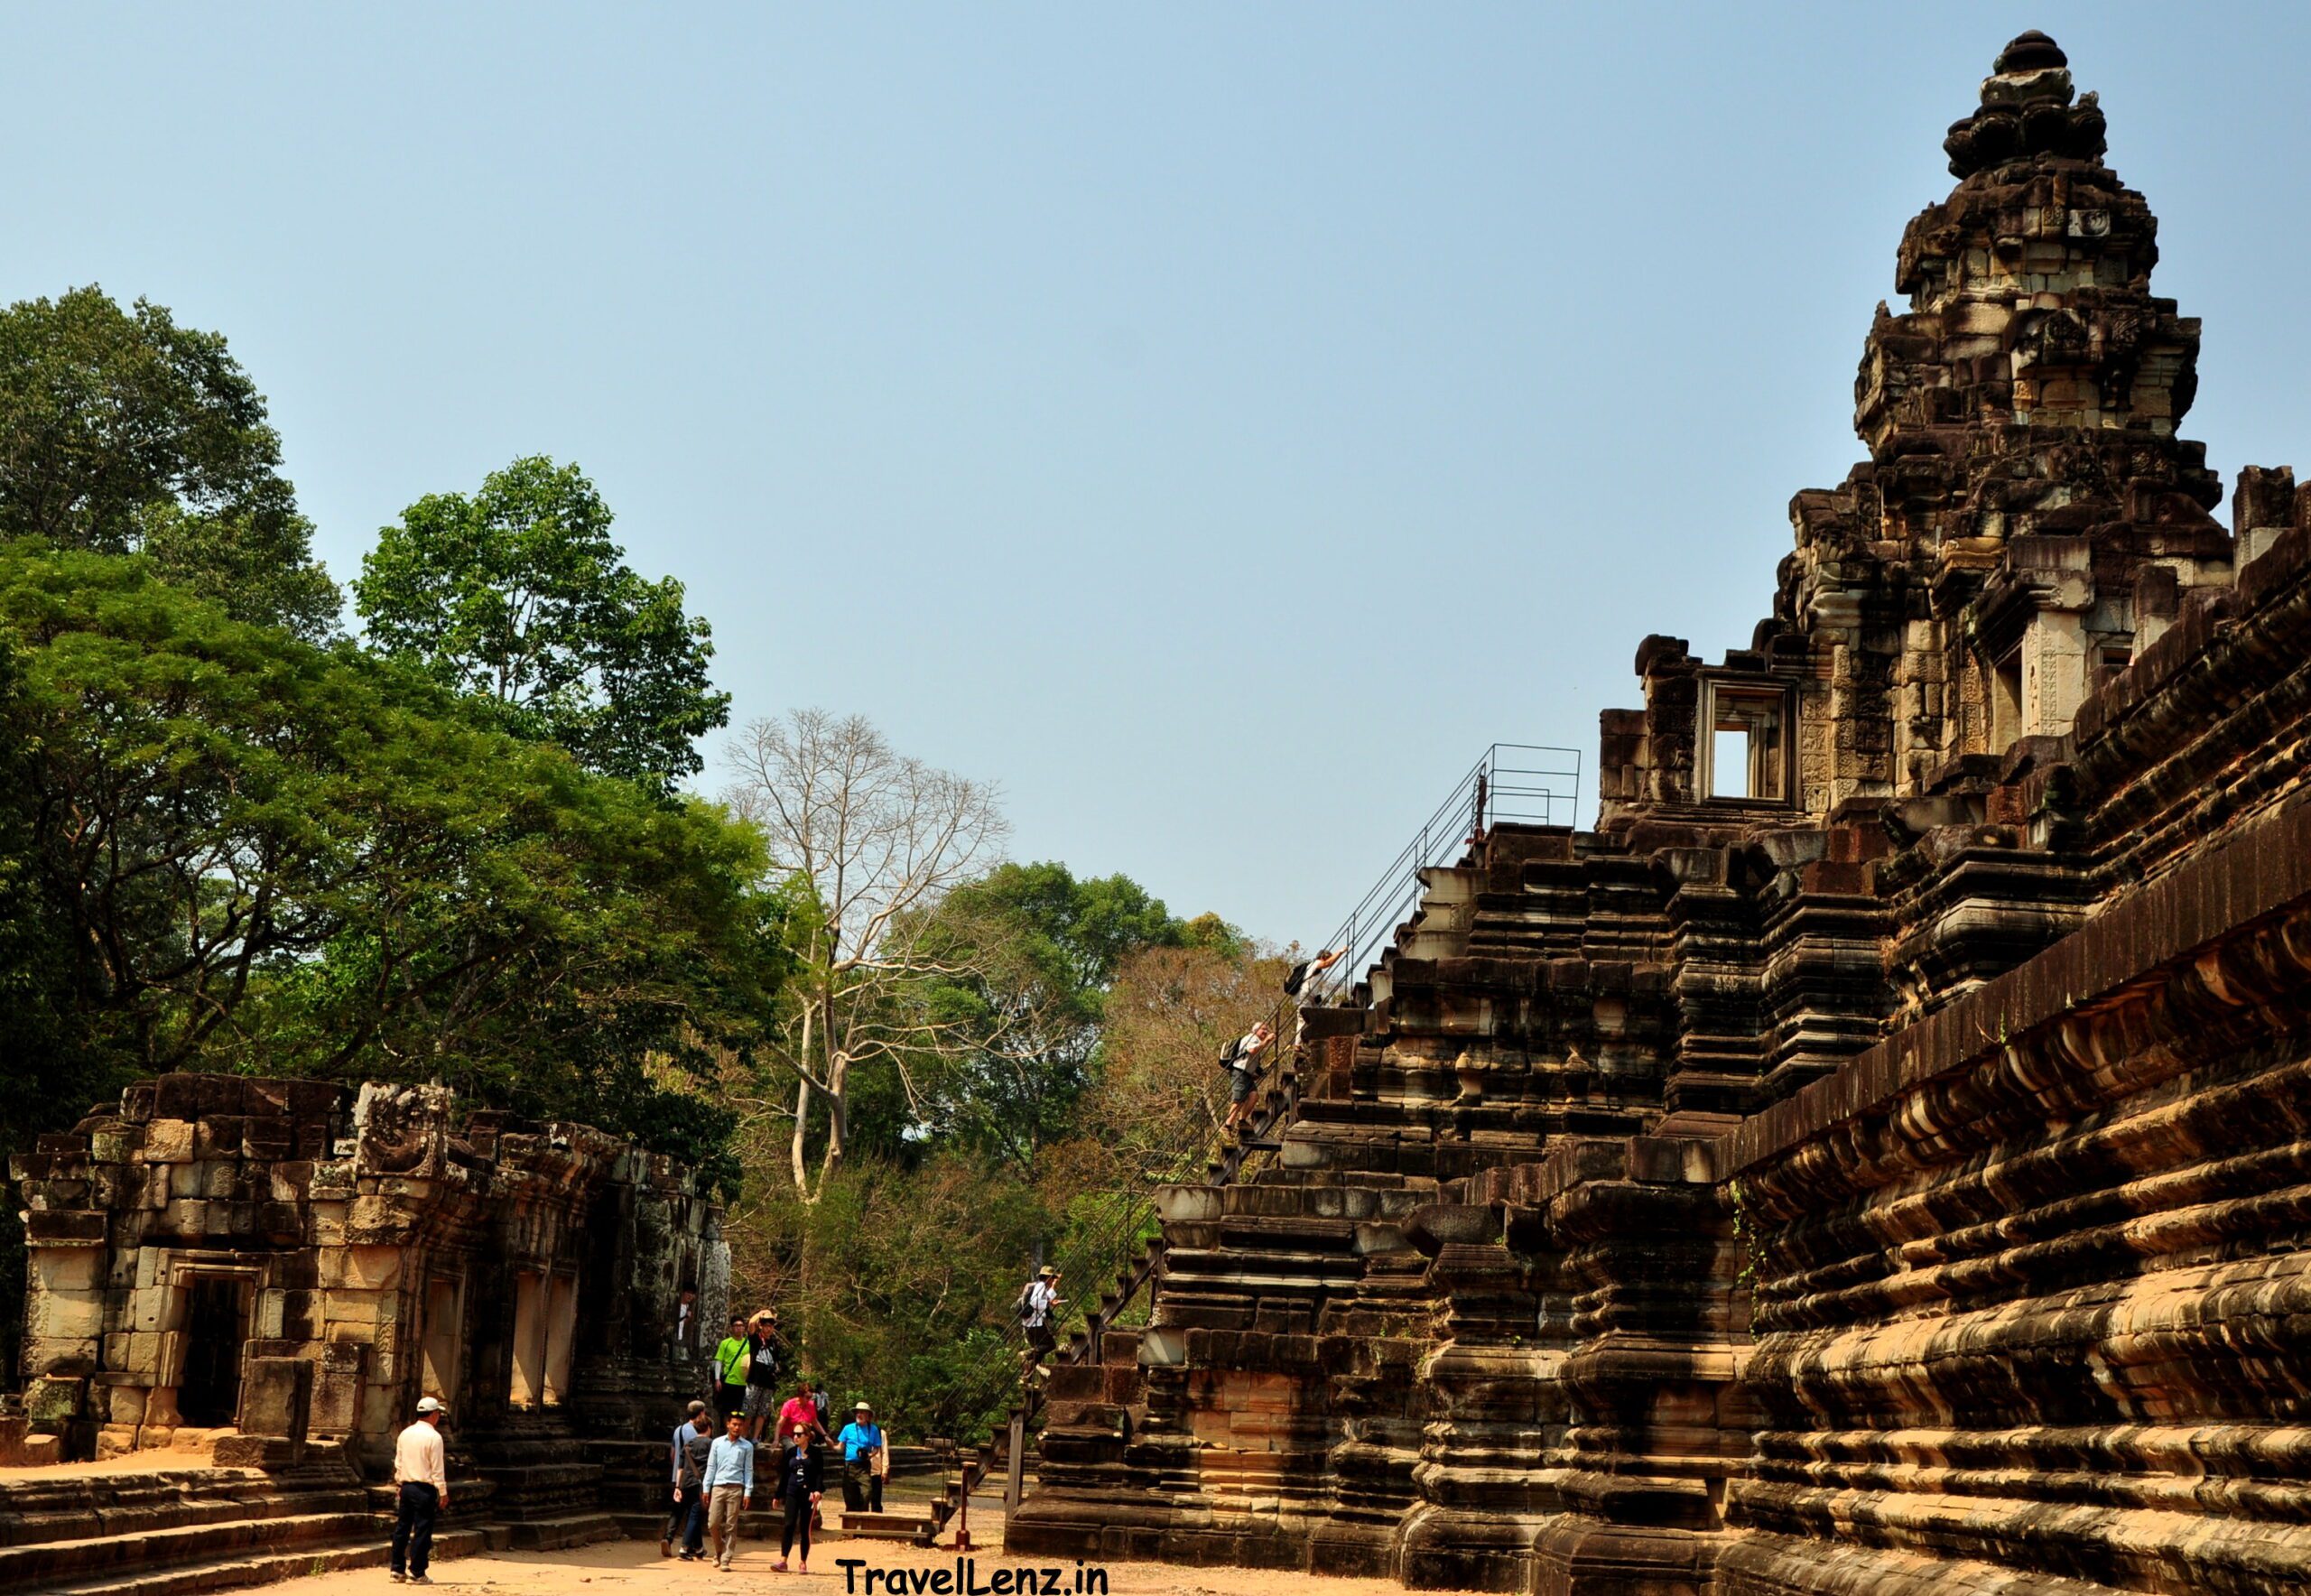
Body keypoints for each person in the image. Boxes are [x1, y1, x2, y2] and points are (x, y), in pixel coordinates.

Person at [390, 1396, 449, 1585]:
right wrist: (443, 1492)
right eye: (437, 1413)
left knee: (402, 1528)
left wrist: (399, 1484)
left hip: (406, 1486)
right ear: (433, 1414)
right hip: (424, 1489)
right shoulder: (434, 1437)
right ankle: (417, 1571)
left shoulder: (405, 1433)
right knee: (423, 1530)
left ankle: (397, 1569)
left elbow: (398, 1463)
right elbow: (437, 1468)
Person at [701, 1409, 756, 1570]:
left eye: (740, 1425)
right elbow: (711, 1467)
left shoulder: (747, 1446)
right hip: (718, 1486)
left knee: (731, 1525)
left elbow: (748, 1470)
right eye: (734, 1424)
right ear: (728, 1424)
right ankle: (719, 1549)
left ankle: (726, 1558)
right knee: (713, 1523)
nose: (737, 1428)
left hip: (736, 1488)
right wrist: (706, 1488)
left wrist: (747, 1492)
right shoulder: (717, 1443)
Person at [663, 1398, 713, 1560]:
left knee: (678, 1511)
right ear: (702, 1414)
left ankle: (670, 1539)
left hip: (679, 1477)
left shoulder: (678, 1430)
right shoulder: (699, 1433)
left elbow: (672, 1454)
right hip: (695, 1478)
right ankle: (688, 1546)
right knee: (694, 1512)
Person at [772, 1424, 826, 1573]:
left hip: (808, 1494)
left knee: (804, 1528)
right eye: (794, 1434)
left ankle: (803, 1561)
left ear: (807, 1436)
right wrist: (778, 1495)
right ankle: (783, 1560)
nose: (795, 1437)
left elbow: (819, 1474)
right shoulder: (790, 1452)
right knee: (789, 1525)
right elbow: (785, 1475)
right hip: (792, 1492)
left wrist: (817, 1490)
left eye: (799, 1434)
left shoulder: (815, 1453)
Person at [1220, 1021, 1276, 1127]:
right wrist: (1267, 1040)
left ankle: (1242, 1120)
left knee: (1254, 1096)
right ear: (1255, 1030)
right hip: (1239, 1073)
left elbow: (1252, 1059)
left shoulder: (1257, 1041)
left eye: (1266, 1029)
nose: (1265, 1031)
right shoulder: (1251, 1038)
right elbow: (1252, 1050)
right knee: (1239, 1099)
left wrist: (1258, 1072)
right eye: (1263, 1029)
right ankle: (1227, 1125)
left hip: (1247, 1075)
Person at [837, 1400, 886, 1513]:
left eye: (862, 1412)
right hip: (849, 1466)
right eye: (857, 1412)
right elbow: (840, 1447)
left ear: (868, 1415)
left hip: (864, 1466)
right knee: (849, 1497)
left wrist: (869, 1455)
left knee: (867, 1492)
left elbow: (877, 1447)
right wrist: (830, 1445)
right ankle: (850, 1522)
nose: (859, 1415)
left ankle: (862, 1516)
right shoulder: (848, 1428)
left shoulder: (873, 1429)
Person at [741, 1310, 783, 1442]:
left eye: (771, 1326)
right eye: (766, 1326)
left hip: (769, 1382)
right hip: (755, 1380)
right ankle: (743, 1436)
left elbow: (777, 1362)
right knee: (749, 1411)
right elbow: (751, 1324)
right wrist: (762, 1313)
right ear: (762, 1326)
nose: (768, 1329)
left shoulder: (775, 1343)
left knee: (763, 1412)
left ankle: (755, 1437)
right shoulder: (756, 1340)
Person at [1021, 1267, 1063, 1371]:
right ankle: (1025, 1354)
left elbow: (1045, 1298)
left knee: (1039, 1353)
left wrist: (1052, 1293)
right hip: (1035, 1323)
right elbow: (1034, 1302)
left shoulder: (1041, 1286)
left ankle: (1026, 1376)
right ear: (1048, 1277)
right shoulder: (1040, 1286)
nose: (1053, 1280)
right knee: (1050, 1345)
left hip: (1031, 1323)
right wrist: (1049, 1303)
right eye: (1052, 1278)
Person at [712, 1315, 749, 1419]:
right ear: (731, 1328)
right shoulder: (725, 1343)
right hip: (729, 1380)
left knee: (742, 1410)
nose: (739, 1328)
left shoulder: (748, 1343)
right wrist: (717, 1379)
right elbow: (719, 1361)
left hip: (744, 1382)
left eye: (741, 1325)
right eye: (736, 1325)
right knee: (727, 1410)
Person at [776, 1377, 828, 1449]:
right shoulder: (789, 1405)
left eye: (811, 1397)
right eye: (807, 1397)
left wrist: (825, 1435)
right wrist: (776, 1440)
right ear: (800, 1395)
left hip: (803, 1437)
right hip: (788, 1436)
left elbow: (815, 1422)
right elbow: (779, 1424)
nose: (809, 1399)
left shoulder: (811, 1405)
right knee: (793, 1449)